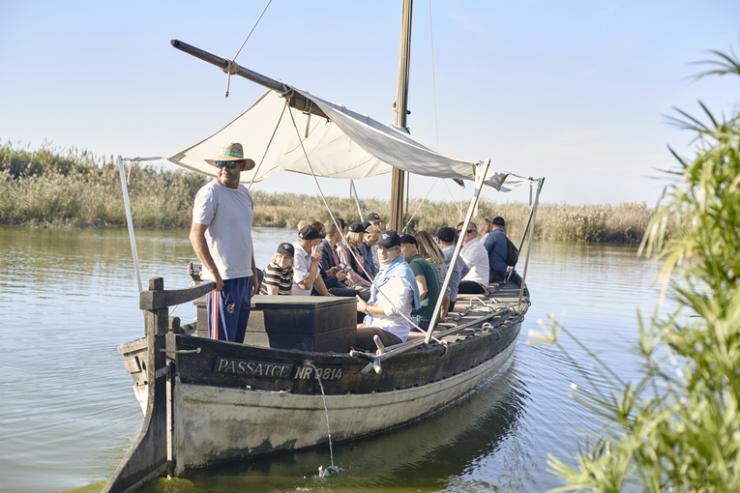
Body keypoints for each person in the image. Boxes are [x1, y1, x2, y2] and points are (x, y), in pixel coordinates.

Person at [190, 142, 259, 343]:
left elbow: (245, 235)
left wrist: (252, 271)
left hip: (243, 278)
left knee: (237, 342)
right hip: (222, 281)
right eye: (221, 163)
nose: (224, 169)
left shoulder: (244, 193)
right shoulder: (210, 193)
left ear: (241, 166)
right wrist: (213, 273)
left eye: (230, 164)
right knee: (222, 343)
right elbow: (196, 235)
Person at [355, 230, 420, 350]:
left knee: (345, 336)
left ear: (398, 251)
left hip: (392, 331)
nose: (382, 253)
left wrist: (366, 308)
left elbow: (396, 309)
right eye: (379, 248)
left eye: (388, 249)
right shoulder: (387, 270)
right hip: (378, 325)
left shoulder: (400, 274)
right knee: (337, 331)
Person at [399, 234, 442, 330]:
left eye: (400, 247)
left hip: (422, 320)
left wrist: (408, 309)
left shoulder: (415, 264)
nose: (398, 252)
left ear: (413, 247)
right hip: (432, 320)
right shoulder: (425, 262)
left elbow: (422, 290)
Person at [292, 225, 332, 296]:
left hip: (305, 300)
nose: (320, 244)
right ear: (313, 242)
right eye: (320, 242)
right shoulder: (295, 254)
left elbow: (316, 277)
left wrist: (327, 295)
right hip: (292, 302)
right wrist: (315, 262)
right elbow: (305, 285)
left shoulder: (309, 252)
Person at [435, 226, 468, 312]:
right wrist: (455, 280)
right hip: (453, 298)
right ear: (454, 240)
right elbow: (466, 270)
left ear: (439, 241)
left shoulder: (442, 255)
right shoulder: (456, 253)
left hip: (444, 302)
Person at [457, 222, 490, 294]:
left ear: (476, 232)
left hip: (477, 283)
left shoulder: (477, 246)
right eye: (460, 231)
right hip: (466, 281)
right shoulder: (464, 246)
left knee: (448, 286)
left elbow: (464, 267)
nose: (465, 233)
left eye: (469, 231)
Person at [337, 223, 372, 288]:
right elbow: (349, 273)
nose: (363, 237)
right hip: (349, 284)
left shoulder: (356, 249)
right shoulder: (343, 249)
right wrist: (369, 284)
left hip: (359, 282)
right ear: (358, 235)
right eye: (362, 235)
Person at [484, 215, 512, 283]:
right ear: (503, 226)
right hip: (502, 272)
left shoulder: (492, 236)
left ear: (492, 225)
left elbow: (484, 252)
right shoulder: (505, 237)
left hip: (493, 274)